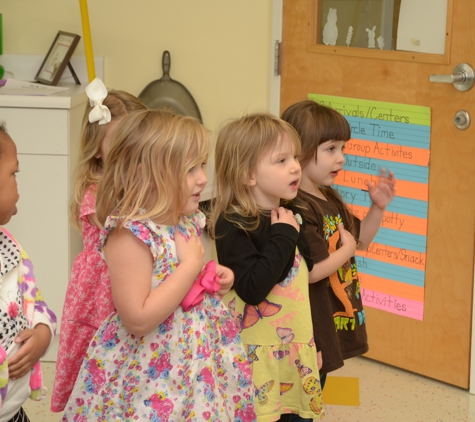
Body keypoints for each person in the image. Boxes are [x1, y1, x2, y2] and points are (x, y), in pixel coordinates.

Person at [62, 109, 256, 421]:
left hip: (193, 362)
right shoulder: (129, 235)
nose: (203, 178)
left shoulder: (184, 220)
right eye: (190, 169)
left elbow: (179, 280)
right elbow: (137, 319)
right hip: (150, 374)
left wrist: (213, 277)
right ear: (147, 173)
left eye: (202, 165)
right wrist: (191, 265)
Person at [281, 100, 396, 420]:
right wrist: (345, 252)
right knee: (299, 399)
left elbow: (361, 240)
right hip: (309, 320)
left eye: (342, 148)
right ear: (300, 151)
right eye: (330, 148)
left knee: (315, 390)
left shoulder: (328, 197)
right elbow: (313, 271)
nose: (341, 158)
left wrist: (378, 208)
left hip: (330, 316)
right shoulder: (298, 207)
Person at [209, 113, 325, 422]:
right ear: (248, 175)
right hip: (258, 357)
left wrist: (315, 343)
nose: (296, 167)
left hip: (294, 351)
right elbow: (253, 289)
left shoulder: (292, 212)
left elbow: (302, 281)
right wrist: (284, 236)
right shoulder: (233, 224)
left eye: (295, 158)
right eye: (281, 160)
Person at [51, 78, 147, 412]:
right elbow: (123, 224)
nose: (131, 152)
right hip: (100, 294)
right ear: (98, 149)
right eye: (121, 144)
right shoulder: (95, 191)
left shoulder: (143, 181)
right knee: (101, 361)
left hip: (131, 282)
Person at [0, 123, 56, 422]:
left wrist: (42, 334)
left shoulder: (10, 249)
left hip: (13, 409)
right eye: (14, 174)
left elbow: (35, 303)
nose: (17, 185)